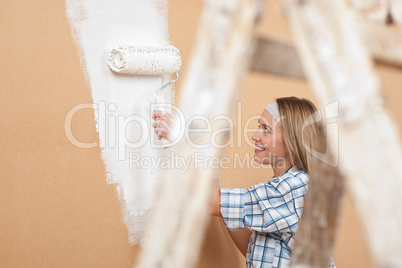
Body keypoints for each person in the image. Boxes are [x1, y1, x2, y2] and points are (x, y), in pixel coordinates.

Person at [152, 96, 336, 268]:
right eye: (258, 126)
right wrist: (225, 204)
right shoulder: (288, 183)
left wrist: (181, 140)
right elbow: (256, 249)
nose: (255, 136)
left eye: (266, 129)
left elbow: (211, 202)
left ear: (291, 140)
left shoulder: (293, 188)